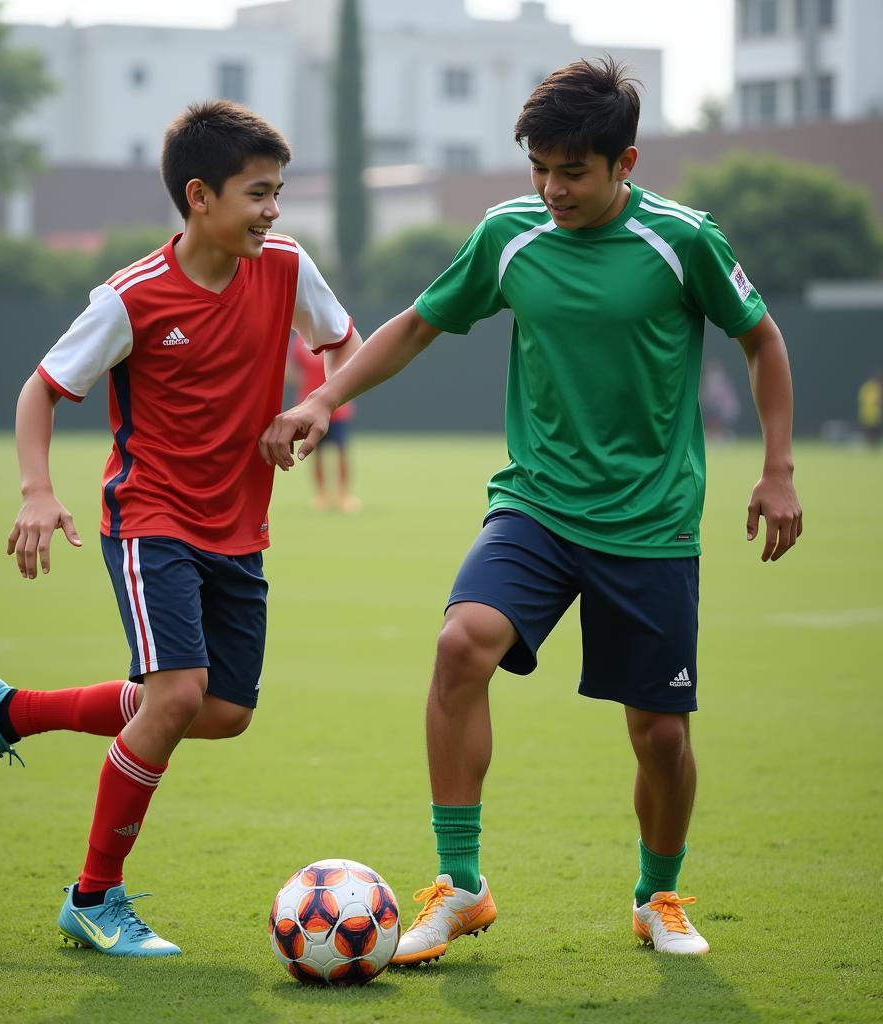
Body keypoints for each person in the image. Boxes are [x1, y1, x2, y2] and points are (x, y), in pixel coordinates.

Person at [261, 58, 803, 961]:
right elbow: (417, 323)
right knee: (459, 643)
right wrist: (323, 397)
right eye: (540, 169)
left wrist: (777, 469)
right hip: (538, 505)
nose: (553, 189)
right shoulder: (509, 234)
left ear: (624, 162)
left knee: (660, 736)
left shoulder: (684, 240)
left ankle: (657, 895)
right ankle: (461, 885)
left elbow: (764, 339)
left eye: (574, 172)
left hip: (651, 523)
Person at [0, 100, 360, 957]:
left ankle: (7, 712)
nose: (273, 210)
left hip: (238, 528)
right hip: (151, 519)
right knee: (173, 697)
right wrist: (35, 490)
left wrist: (314, 408)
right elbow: (41, 390)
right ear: (200, 197)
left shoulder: (284, 265)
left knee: (223, 710)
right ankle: (94, 898)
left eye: (278, 191)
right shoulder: (131, 297)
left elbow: (344, 346)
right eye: (258, 193)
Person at [288, 332, 362, 512]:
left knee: (341, 450)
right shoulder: (300, 342)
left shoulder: (337, 334)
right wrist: (304, 383)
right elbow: (290, 367)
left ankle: (344, 495)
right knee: (315, 452)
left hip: (337, 406)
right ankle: (321, 496)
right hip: (310, 406)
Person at [858, 370, 882, 446]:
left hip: (874, 415)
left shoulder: (873, 387)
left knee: (875, 435)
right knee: (870, 435)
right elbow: (874, 401)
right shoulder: (870, 388)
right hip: (869, 415)